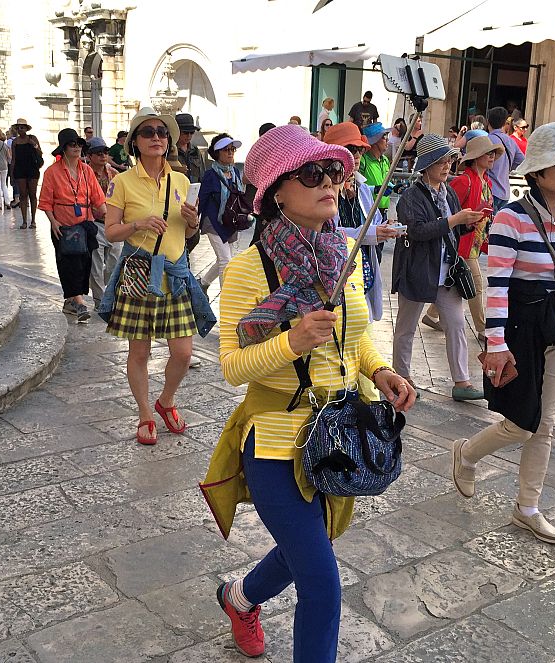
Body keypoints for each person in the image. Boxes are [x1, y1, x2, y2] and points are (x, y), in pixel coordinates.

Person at [202, 124, 415, 662]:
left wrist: (381, 370)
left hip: (339, 433)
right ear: (276, 190)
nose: (330, 182)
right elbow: (232, 366)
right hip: (274, 442)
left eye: (334, 172)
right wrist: (291, 341)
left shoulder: (339, 251)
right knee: (322, 581)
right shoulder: (250, 269)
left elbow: (356, 335)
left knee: (309, 551)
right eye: (312, 173)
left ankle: (240, 597)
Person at [452, 123, 555, 544]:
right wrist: (495, 344)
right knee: (521, 422)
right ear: (537, 171)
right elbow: (496, 287)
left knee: (546, 424)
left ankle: (527, 506)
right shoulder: (509, 219)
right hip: (518, 327)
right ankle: (465, 453)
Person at [98, 107, 214, 445]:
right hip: (140, 277)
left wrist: (192, 220)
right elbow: (111, 232)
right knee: (139, 353)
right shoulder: (122, 182)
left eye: (162, 132)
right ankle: (145, 413)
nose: (156, 137)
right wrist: (138, 224)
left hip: (175, 275)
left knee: (182, 353)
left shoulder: (180, 180)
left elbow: (189, 230)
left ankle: (166, 401)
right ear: (135, 142)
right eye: (148, 132)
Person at [391, 134, 486, 401]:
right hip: (418, 271)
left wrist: (468, 221)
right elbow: (418, 231)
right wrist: (455, 220)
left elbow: (450, 230)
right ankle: (402, 377)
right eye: (441, 161)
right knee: (406, 328)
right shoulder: (410, 197)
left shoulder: (449, 193)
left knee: (456, 325)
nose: (447, 166)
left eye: (449, 160)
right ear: (427, 165)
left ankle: (462, 381)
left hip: (446, 272)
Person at [422, 135, 502, 341]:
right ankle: (483, 328)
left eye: (493, 153)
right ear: (476, 157)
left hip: (473, 241)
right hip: (461, 242)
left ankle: (431, 314)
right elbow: (446, 211)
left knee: (454, 283)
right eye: (488, 153)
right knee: (475, 283)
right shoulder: (464, 181)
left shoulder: (485, 182)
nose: (492, 157)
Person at [325, 121, 400, 323]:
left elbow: (373, 220)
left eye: (359, 149)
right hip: (334, 273)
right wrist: (370, 233)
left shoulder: (362, 187)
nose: (357, 155)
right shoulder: (324, 190)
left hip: (363, 271)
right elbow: (326, 234)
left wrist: (386, 226)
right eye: (350, 149)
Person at [38, 128, 107, 322]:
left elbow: (98, 198)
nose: (76, 148)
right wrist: (53, 222)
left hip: (84, 224)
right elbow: (46, 201)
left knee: (85, 263)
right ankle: (79, 302)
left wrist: (109, 217)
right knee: (68, 263)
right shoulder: (52, 172)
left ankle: (72, 301)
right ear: (64, 148)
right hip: (63, 226)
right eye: (72, 144)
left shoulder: (86, 171)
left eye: (79, 144)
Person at [197, 133, 246, 291]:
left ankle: (203, 283)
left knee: (223, 259)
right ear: (217, 153)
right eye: (226, 150)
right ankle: (227, 298)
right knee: (226, 260)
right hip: (213, 221)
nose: (230, 152)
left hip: (229, 220)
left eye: (232, 149)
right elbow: (201, 199)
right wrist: (193, 223)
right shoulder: (210, 176)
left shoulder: (235, 173)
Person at [84, 137, 122, 307]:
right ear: (90, 155)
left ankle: (106, 292)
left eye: (105, 152)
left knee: (114, 263)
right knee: (96, 266)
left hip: (113, 223)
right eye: (98, 153)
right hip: (95, 223)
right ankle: (100, 301)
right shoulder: (84, 174)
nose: (103, 156)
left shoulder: (114, 173)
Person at [486, 106, 525, 211]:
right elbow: (522, 161)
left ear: (488, 121)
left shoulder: (487, 140)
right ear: (504, 123)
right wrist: (507, 166)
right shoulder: (511, 141)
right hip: (505, 191)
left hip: (489, 191)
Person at [10, 118, 43, 229]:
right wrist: (12, 175)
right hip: (20, 169)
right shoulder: (15, 142)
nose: (20, 129)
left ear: (26, 128)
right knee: (23, 195)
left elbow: (40, 153)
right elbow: (13, 159)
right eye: (19, 128)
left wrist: (33, 144)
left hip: (32, 168)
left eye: (22, 127)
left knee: (33, 195)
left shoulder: (32, 138)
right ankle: (24, 221)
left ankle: (33, 220)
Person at [359, 122, 391, 212]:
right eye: (384, 136)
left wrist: (395, 187)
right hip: (368, 210)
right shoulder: (363, 160)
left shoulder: (385, 160)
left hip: (385, 210)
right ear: (375, 141)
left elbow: (387, 182)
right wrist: (376, 189)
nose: (388, 140)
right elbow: (358, 187)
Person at [172, 113, 206, 184]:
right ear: (177, 132)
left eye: (192, 132)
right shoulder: (170, 151)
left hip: (194, 191)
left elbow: (202, 175)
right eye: (185, 133)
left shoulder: (195, 151)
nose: (189, 136)